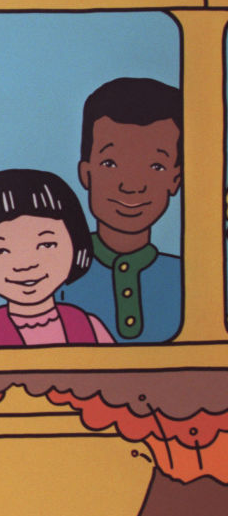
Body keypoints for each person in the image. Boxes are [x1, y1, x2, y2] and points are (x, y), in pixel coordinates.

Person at [60, 77, 183, 342]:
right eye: (110, 163)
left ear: (175, 180)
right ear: (86, 173)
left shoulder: (187, 277)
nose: (131, 186)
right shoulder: (56, 276)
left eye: (156, 167)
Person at [0, 169, 114, 346]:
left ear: (76, 242)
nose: (25, 264)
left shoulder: (89, 327)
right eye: (0, 251)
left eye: (46, 245)